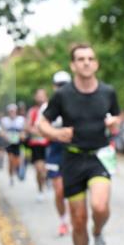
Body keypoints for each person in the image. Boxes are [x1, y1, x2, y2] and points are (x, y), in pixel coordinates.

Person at [37, 45, 121, 245]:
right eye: (80, 59)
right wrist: (55, 133)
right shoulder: (63, 95)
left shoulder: (108, 92)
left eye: (90, 59)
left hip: (99, 157)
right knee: (78, 219)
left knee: (100, 206)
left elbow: (116, 118)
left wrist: (115, 122)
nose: (86, 63)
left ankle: (98, 233)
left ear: (96, 64)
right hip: (72, 159)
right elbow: (42, 123)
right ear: (73, 65)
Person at [41, 72, 72, 236]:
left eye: (65, 84)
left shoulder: (77, 102)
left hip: (74, 151)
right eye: (59, 85)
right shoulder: (47, 107)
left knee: (74, 190)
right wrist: (56, 133)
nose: (62, 88)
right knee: (59, 191)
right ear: (54, 86)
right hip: (55, 151)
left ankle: (76, 216)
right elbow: (41, 128)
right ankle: (63, 220)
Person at [25, 88, 51, 202]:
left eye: (42, 95)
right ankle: (40, 190)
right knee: (39, 169)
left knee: (47, 169)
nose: (40, 97)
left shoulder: (51, 109)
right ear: (35, 98)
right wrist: (35, 131)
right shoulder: (32, 111)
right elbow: (27, 126)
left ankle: (48, 180)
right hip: (36, 144)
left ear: (46, 97)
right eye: (38, 95)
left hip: (50, 143)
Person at [0, 104, 25, 185]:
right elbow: (2, 131)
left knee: (16, 161)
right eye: (10, 111)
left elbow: (24, 131)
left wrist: (22, 135)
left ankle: (17, 170)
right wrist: (4, 135)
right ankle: (11, 177)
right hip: (9, 143)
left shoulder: (21, 120)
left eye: (13, 111)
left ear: (16, 111)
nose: (12, 113)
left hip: (17, 143)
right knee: (10, 160)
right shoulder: (4, 120)